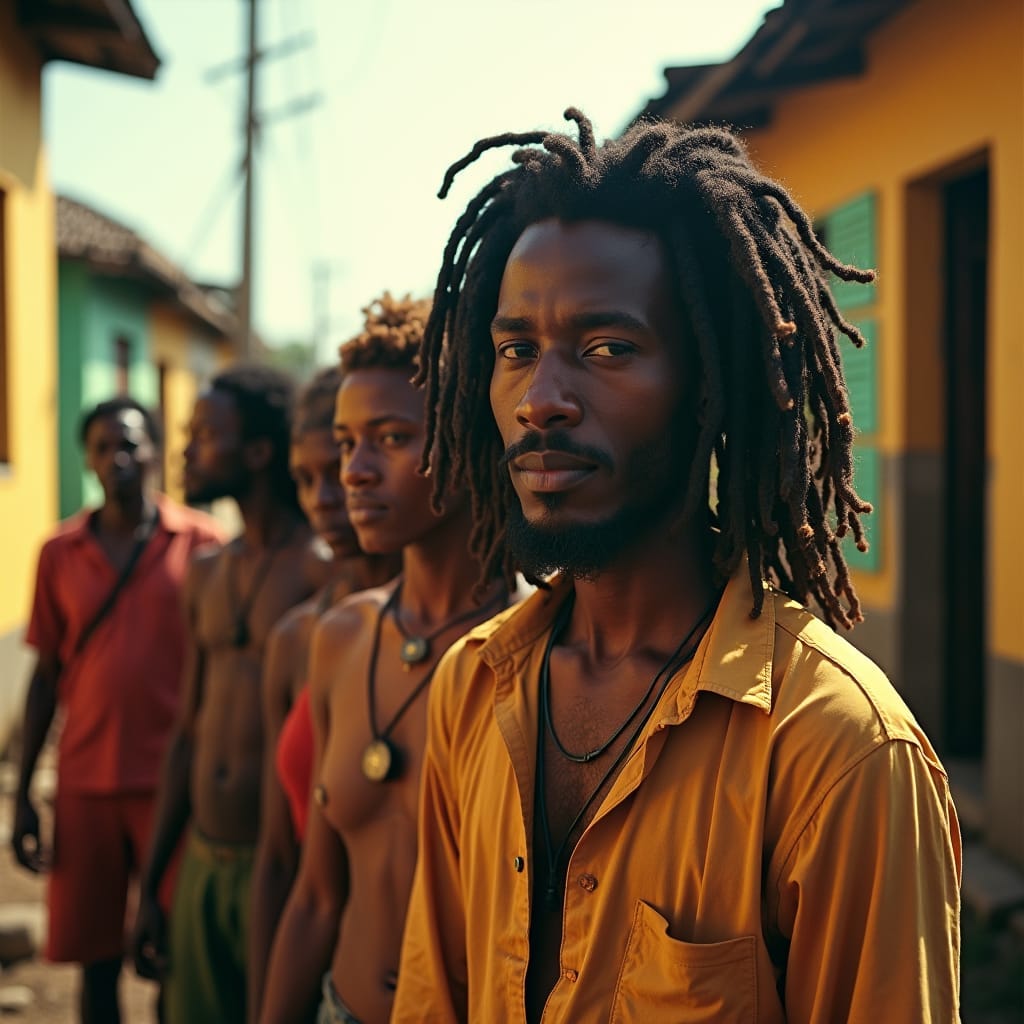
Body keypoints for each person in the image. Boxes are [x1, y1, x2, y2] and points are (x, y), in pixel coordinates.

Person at [392, 110, 962, 1022]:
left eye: (608, 348)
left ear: (710, 385)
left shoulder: (836, 750)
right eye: (515, 351)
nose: (541, 400)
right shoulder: (474, 687)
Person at [259, 294, 519, 1024]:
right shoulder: (342, 637)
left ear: (468, 439)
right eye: (346, 443)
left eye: (391, 438)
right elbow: (315, 896)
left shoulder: (536, 650)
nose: (356, 472)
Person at [12, 396, 225, 1024]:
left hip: (175, 788)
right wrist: (23, 788)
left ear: (156, 452)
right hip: (86, 785)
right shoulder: (59, 552)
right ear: (88, 460)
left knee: (177, 957)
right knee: (95, 961)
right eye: (103, 448)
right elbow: (45, 676)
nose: (118, 459)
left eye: (131, 444)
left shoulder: (203, 545)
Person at [133, 364, 330, 1024]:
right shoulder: (207, 569)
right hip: (202, 858)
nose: (186, 448)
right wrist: (156, 880)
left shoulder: (319, 570)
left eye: (204, 433)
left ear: (258, 453)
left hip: (282, 869)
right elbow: (187, 730)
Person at [247, 366, 400, 1017]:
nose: (327, 495)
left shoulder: (480, 644)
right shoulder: (309, 638)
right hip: (331, 986)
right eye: (304, 479)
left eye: (333, 468)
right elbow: (283, 861)